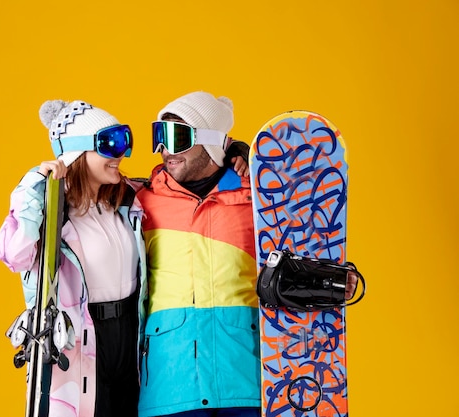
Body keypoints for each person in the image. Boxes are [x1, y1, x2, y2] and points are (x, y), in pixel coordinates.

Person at [135, 91, 358, 417]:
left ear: (210, 141)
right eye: (160, 136)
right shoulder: (141, 200)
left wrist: (329, 281)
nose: (164, 150)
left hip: (246, 382)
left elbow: (301, 249)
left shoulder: (259, 198)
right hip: (170, 386)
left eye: (177, 137)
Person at [0, 99, 147, 417]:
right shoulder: (51, 212)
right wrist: (33, 186)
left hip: (130, 333)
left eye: (123, 141)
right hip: (81, 340)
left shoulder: (128, 200)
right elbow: (15, 255)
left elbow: (182, 182)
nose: (120, 155)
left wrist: (235, 157)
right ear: (77, 152)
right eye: (109, 143)